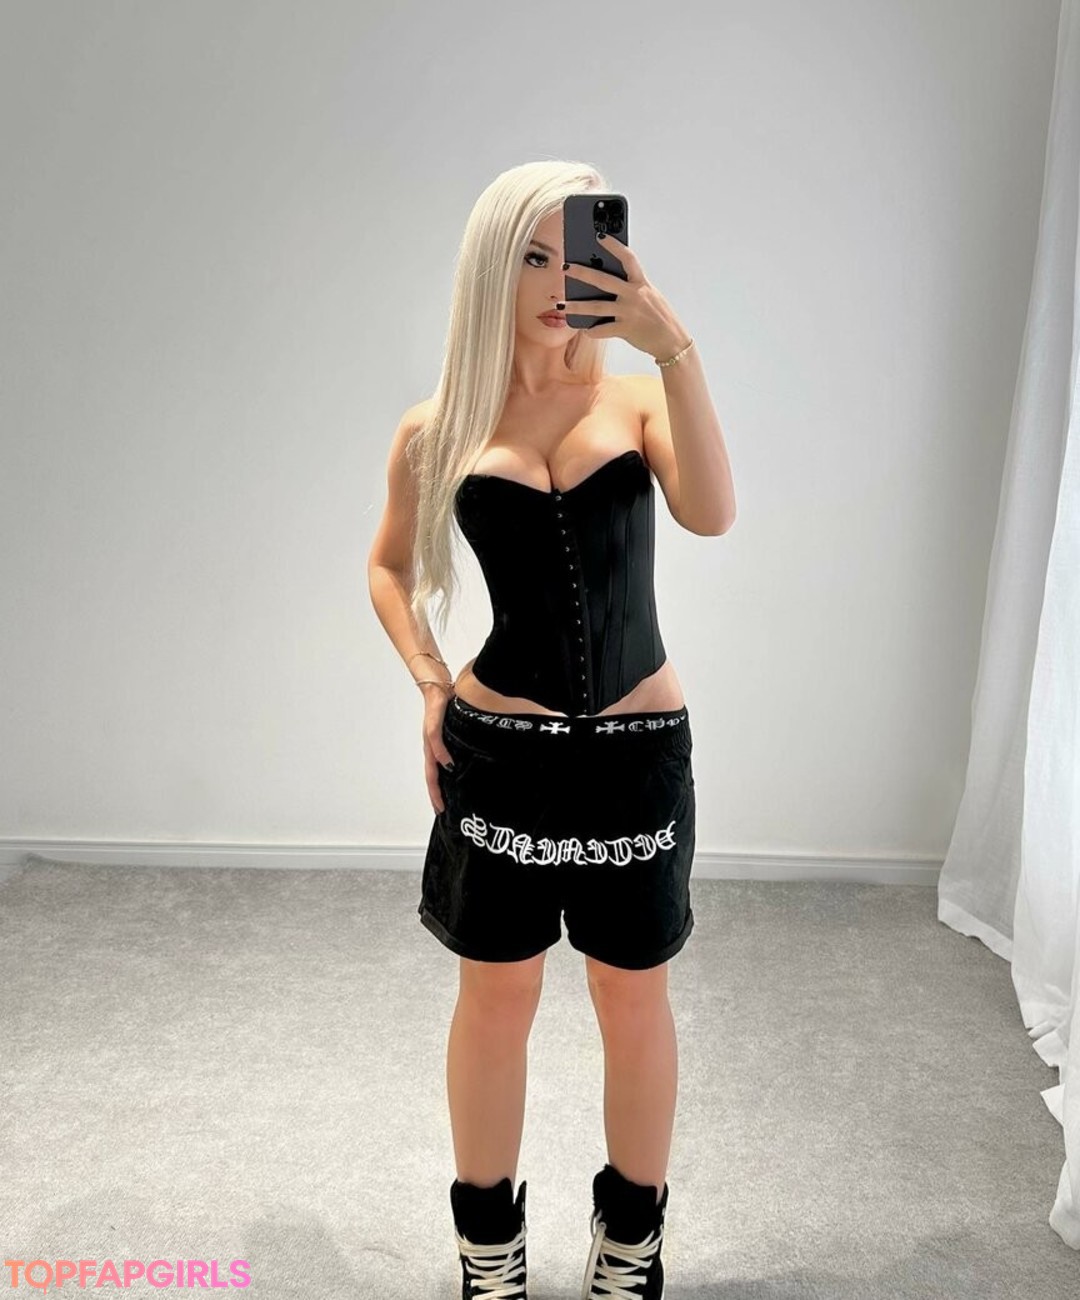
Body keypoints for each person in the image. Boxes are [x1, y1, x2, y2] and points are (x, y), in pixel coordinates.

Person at [367, 160, 735, 1300]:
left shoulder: (639, 402)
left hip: (635, 760)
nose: (554, 281)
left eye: (573, 252)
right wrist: (430, 681)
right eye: (529, 255)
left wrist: (673, 345)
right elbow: (387, 567)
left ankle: (632, 1243)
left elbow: (713, 514)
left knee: (634, 997)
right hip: (504, 757)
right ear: (491, 265)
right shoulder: (437, 427)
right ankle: (489, 1249)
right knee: (496, 997)